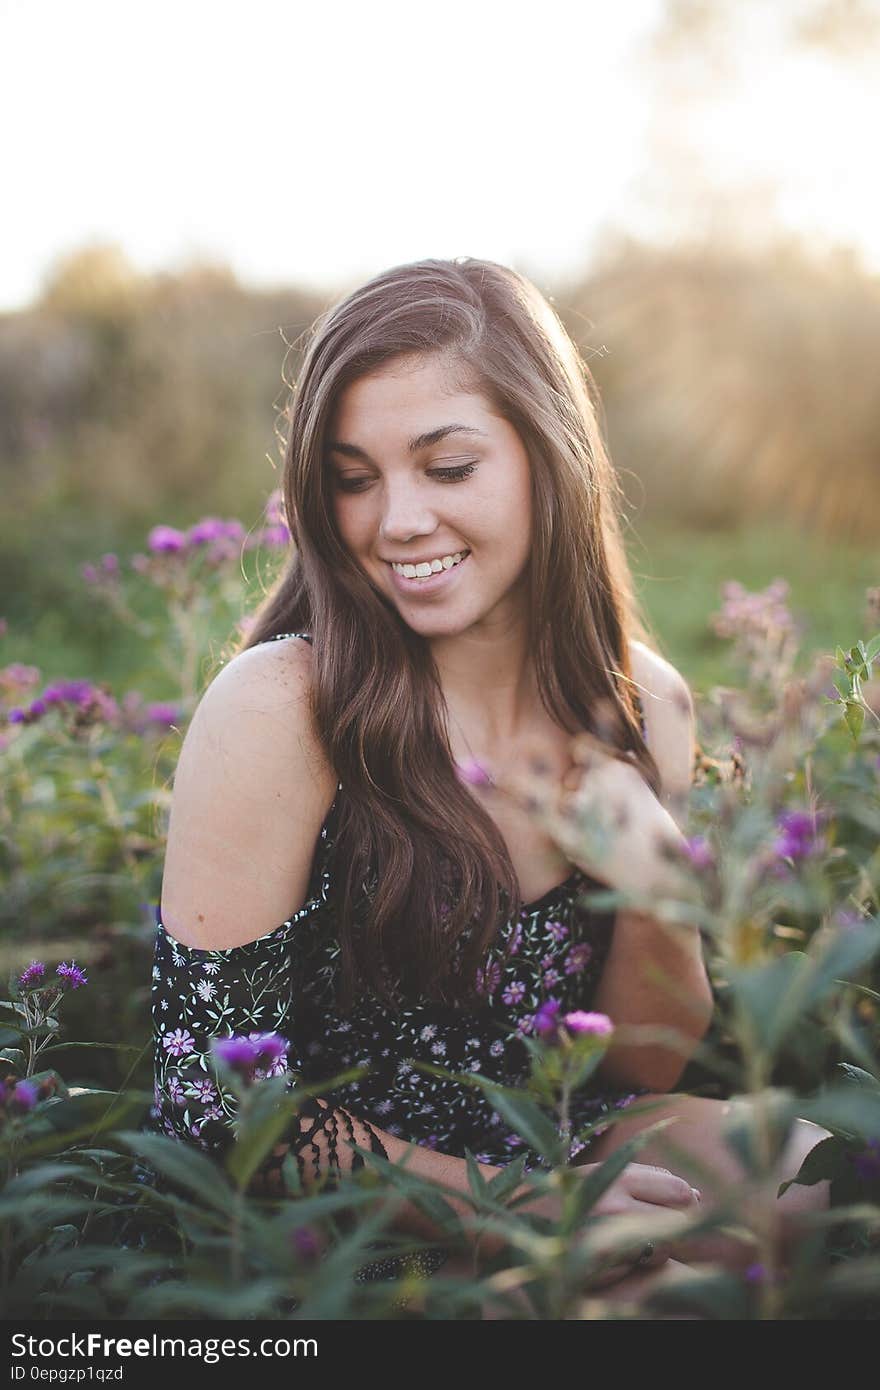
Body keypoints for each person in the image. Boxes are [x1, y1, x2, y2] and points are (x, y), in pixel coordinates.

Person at [151, 257, 828, 1303]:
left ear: (546, 457)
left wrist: (655, 889)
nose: (397, 521)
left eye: (447, 466)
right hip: (337, 1204)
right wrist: (519, 1207)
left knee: (825, 1188)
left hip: (558, 1141)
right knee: (639, 1304)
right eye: (353, 477)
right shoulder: (283, 708)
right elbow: (210, 1102)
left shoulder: (644, 706)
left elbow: (639, 1070)